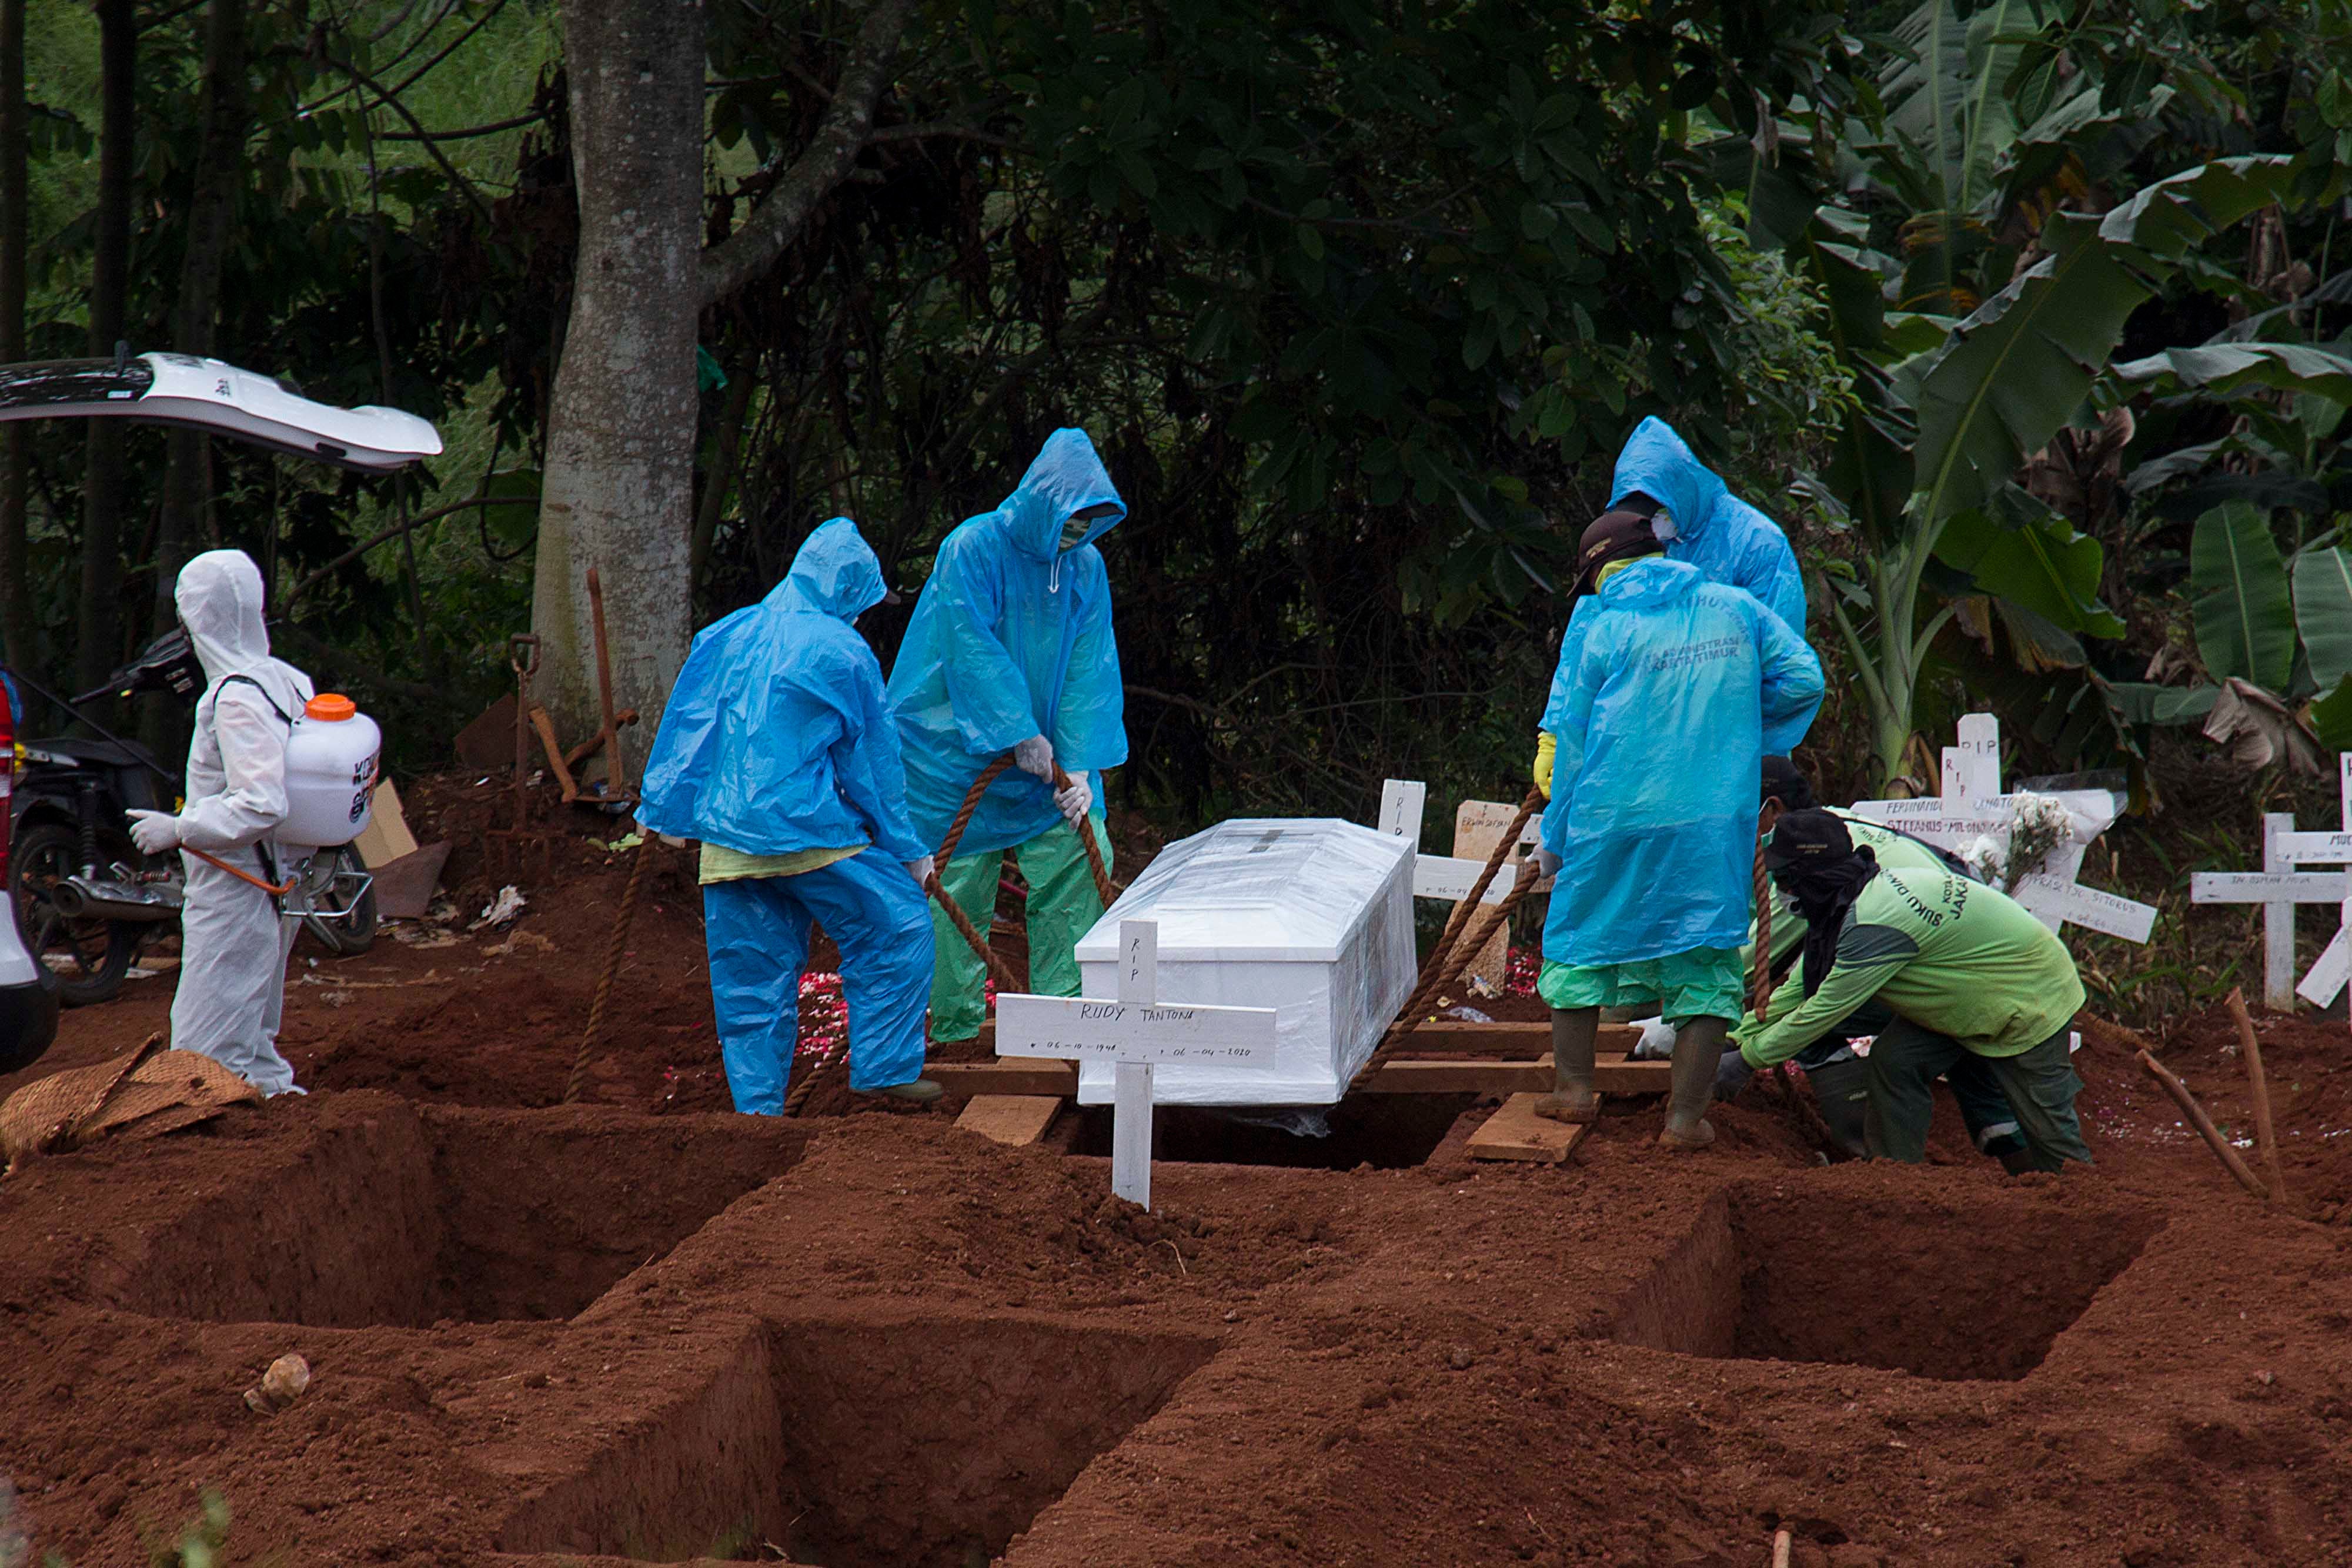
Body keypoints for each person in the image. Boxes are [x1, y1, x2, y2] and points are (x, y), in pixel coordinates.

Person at [1531, 509, 1823, 1149]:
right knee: (1706, 956)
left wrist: (1555, 837)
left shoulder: (1602, 628)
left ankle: (1575, 1092)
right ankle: (1684, 1122)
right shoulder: (1736, 608)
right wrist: (1738, 725)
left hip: (1612, 816)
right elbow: (1804, 679)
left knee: (1578, 940)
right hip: (1709, 818)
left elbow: (1572, 744)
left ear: (1603, 572)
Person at [638, 518, 940, 1112]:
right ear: (850, 590)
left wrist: (662, 810)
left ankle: (757, 1113)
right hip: (808, 834)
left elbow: (688, 730)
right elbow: (872, 765)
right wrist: (908, 848)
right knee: (897, 927)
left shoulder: (725, 634)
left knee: (749, 979)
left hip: (728, 843)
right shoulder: (843, 650)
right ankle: (884, 1070)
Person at [887, 428, 1126, 1042]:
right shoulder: (972, 548)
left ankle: (1062, 1027)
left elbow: (1088, 668)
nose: (1077, 534)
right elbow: (968, 646)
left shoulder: (1085, 567)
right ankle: (953, 1032)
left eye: (1089, 523)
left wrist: (1076, 766)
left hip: (1045, 765)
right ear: (1044, 504)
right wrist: (1014, 729)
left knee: (1079, 856)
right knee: (955, 891)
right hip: (951, 759)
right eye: (1072, 520)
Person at [1733, 808, 2093, 1172]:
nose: (1780, 890)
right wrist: (1735, 1037)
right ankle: (1894, 1179)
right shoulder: (1843, 906)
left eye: (1784, 879)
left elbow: (1824, 1010)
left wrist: (1747, 1060)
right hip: (1962, 993)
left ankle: (2081, 1209)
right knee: (1897, 1061)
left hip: (2029, 992)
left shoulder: (1873, 923)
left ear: (1811, 879)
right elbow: (1800, 991)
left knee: (2050, 1133)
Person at [1534, 418, 1812, 801]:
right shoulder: (1626, 543)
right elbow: (1587, 640)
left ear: (1676, 493)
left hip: (1730, 764)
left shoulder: (1756, 544)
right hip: (1637, 765)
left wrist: (1724, 736)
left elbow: (1784, 670)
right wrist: (1555, 732)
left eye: (1655, 512)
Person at [124, 550, 312, 1096]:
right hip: (274, 881)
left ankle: (220, 1162)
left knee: (200, 1057)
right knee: (251, 1039)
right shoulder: (285, 679)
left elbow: (262, 802)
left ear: (195, 618)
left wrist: (180, 828)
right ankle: (275, 1120)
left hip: (237, 890)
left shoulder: (234, 699)